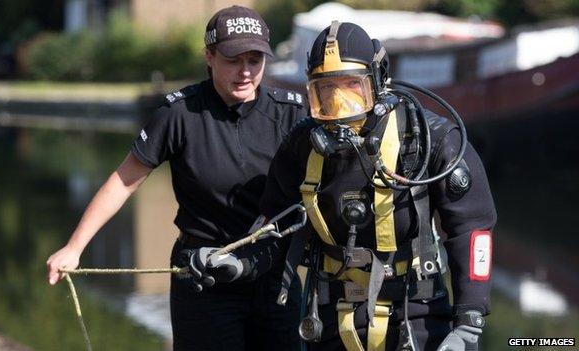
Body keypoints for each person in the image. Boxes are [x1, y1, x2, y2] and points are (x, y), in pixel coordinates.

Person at [46, 6, 306, 350]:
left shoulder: (291, 112)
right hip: (204, 278)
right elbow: (122, 182)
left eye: (254, 60)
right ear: (209, 57)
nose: (245, 72)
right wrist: (74, 247)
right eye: (233, 60)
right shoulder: (178, 114)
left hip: (275, 277)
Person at [258, 22, 497, 350]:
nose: (340, 103)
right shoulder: (301, 147)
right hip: (329, 317)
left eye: (351, 86)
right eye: (327, 90)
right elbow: (274, 222)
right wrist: (240, 259)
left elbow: (472, 230)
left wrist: (469, 323)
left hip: (417, 314)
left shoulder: (429, 140)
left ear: (378, 81)